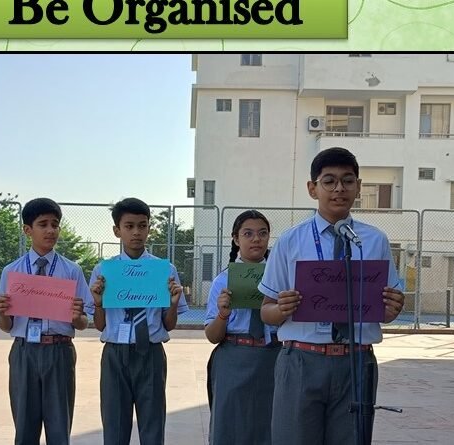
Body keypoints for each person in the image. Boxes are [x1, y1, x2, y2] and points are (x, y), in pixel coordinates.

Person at [257, 147, 406, 445]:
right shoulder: (290, 241)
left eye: (347, 181)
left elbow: (386, 309)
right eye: (329, 181)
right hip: (302, 360)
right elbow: (266, 311)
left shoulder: (374, 240)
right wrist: (282, 308)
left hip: (356, 362)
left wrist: (393, 308)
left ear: (358, 187)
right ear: (313, 188)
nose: (339, 189)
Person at [85, 197, 187, 445]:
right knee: (114, 425)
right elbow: (100, 325)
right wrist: (98, 302)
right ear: (117, 230)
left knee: (152, 425)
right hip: (115, 353)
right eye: (129, 226)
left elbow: (168, 324)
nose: (136, 232)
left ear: (149, 228)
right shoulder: (104, 271)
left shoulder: (164, 270)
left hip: (150, 352)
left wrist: (173, 303)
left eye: (142, 226)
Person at [0, 198, 90, 445]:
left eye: (55, 224)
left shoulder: (71, 270)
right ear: (28, 230)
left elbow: (82, 323)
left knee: (59, 427)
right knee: (25, 427)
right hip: (24, 350)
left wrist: (77, 317)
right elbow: (6, 326)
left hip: (59, 349)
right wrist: (2, 313)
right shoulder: (12, 272)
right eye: (43, 224)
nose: (50, 230)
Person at [204, 209, 280, 445]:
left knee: (271, 424)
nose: (256, 239)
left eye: (262, 233)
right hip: (233, 358)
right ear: (236, 239)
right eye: (248, 233)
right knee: (230, 425)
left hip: (273, 357)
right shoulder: (222, 281)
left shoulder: (281, 278)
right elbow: (212, 336)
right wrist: (222, 315)